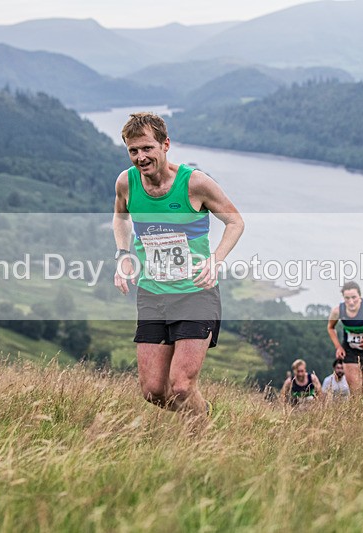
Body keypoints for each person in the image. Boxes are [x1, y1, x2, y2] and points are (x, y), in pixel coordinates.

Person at [113, 112, 244, 418]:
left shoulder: (194, 183)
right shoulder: (126, 183)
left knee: (182, 386)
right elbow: (120, 218)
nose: (140, 157)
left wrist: (215, 260)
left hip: (195, 293)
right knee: (152, 391)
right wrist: (122, 256)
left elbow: (235, 222)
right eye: (133, 151)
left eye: (147, 148)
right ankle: (201, 413)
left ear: (165, 144)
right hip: (152, 294)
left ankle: (201, 438)